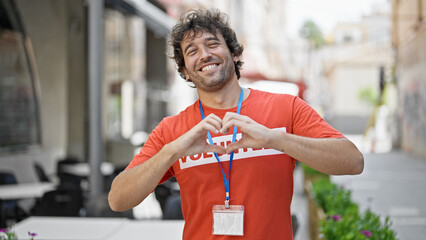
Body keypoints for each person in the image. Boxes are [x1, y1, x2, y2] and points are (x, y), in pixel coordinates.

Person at [108, 8, 364, 239]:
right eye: (192, 51)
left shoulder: (286, 107)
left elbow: (353, 162)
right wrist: (172, 151)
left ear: (234, 52)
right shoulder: (171, 130)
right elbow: (118, 200)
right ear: (185, 70)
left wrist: (275, 139)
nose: (204, 55)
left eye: (212, 44)